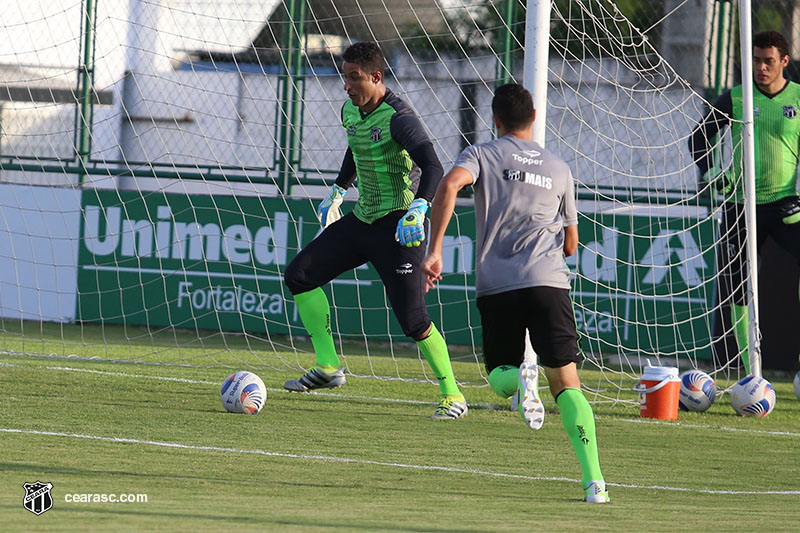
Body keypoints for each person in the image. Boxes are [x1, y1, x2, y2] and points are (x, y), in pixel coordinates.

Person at [421, 83, 608, 503]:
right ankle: (594, 482)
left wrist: (435, 251)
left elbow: (450, 185)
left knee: (498, 376)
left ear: (496, 120)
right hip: (548, 282)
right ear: (535, 117)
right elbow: (572, 244)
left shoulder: (483, 153)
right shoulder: (559, 167)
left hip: (498, 283)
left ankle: (523, 383)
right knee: (568, 383)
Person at [282, 41, 467, 419]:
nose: (347, 86)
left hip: (400, 227)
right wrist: (338, 189)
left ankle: (454, 396)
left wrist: (419, 207)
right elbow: (356, 145)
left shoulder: (400, 118)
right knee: (299, 275)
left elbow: (433, 167)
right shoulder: (350, 109)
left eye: (354, 78)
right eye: (344, 77)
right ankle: (329, 367)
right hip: (363, 219)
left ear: (376, 77)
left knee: (413, 321)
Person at [689, 30, 800, 375]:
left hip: (786, 206)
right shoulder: (736, 98)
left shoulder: (798, 98)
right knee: (735, 284)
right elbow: (698, 138)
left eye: (768, 61)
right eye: (756, 60)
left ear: (784, 61)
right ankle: (745, 368)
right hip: (741, 206)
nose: (761, 67)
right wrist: (711, 174)